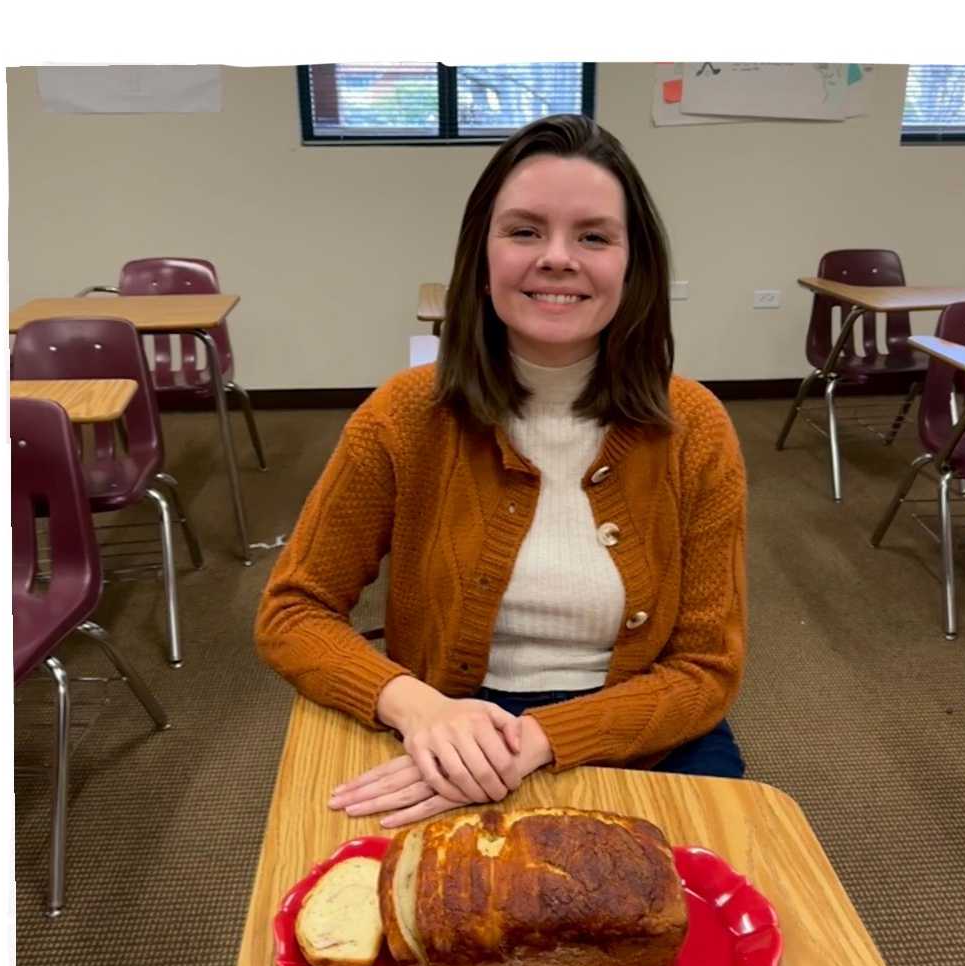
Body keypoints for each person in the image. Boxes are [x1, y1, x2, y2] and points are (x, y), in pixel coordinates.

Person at [255, 114, 747, 830]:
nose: (557, 258)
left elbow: (706, 669)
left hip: (640, 729)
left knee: (705, 924)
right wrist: (414, 704)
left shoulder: (694, 427)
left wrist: (540, 742)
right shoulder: (404, 415)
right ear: (481, 259)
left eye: (593, 236)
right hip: (443, 725)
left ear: (633, 265)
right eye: (523, 231)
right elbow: (292, 611)